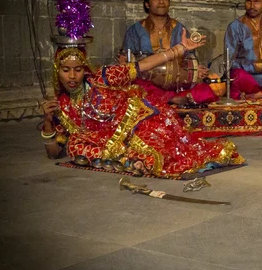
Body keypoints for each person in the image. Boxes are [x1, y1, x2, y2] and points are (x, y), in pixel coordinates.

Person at [41, 29, 244, 178]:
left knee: (166, 155)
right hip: (117, 142)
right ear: (57, 72)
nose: (72, 75)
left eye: (77, 69)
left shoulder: (102, 78)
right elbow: (54, 153)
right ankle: (127, 159)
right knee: (77, 145)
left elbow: (142, 66)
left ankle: (131, 158)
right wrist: (48, 122)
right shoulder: (63, 106)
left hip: (142, 121)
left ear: (84, 68)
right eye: (66, 70)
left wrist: (179, 49)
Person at [119, 0, 218, 106]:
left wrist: (197, 70)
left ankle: (169, 98)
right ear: (147, 4)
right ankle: (171, 99)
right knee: (136, 87)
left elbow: (190, 61)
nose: (161, 2)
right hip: (148, 84)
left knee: (206, 91)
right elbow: (126, 64)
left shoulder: (179, 28)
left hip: (176, 85)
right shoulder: (135, 30)